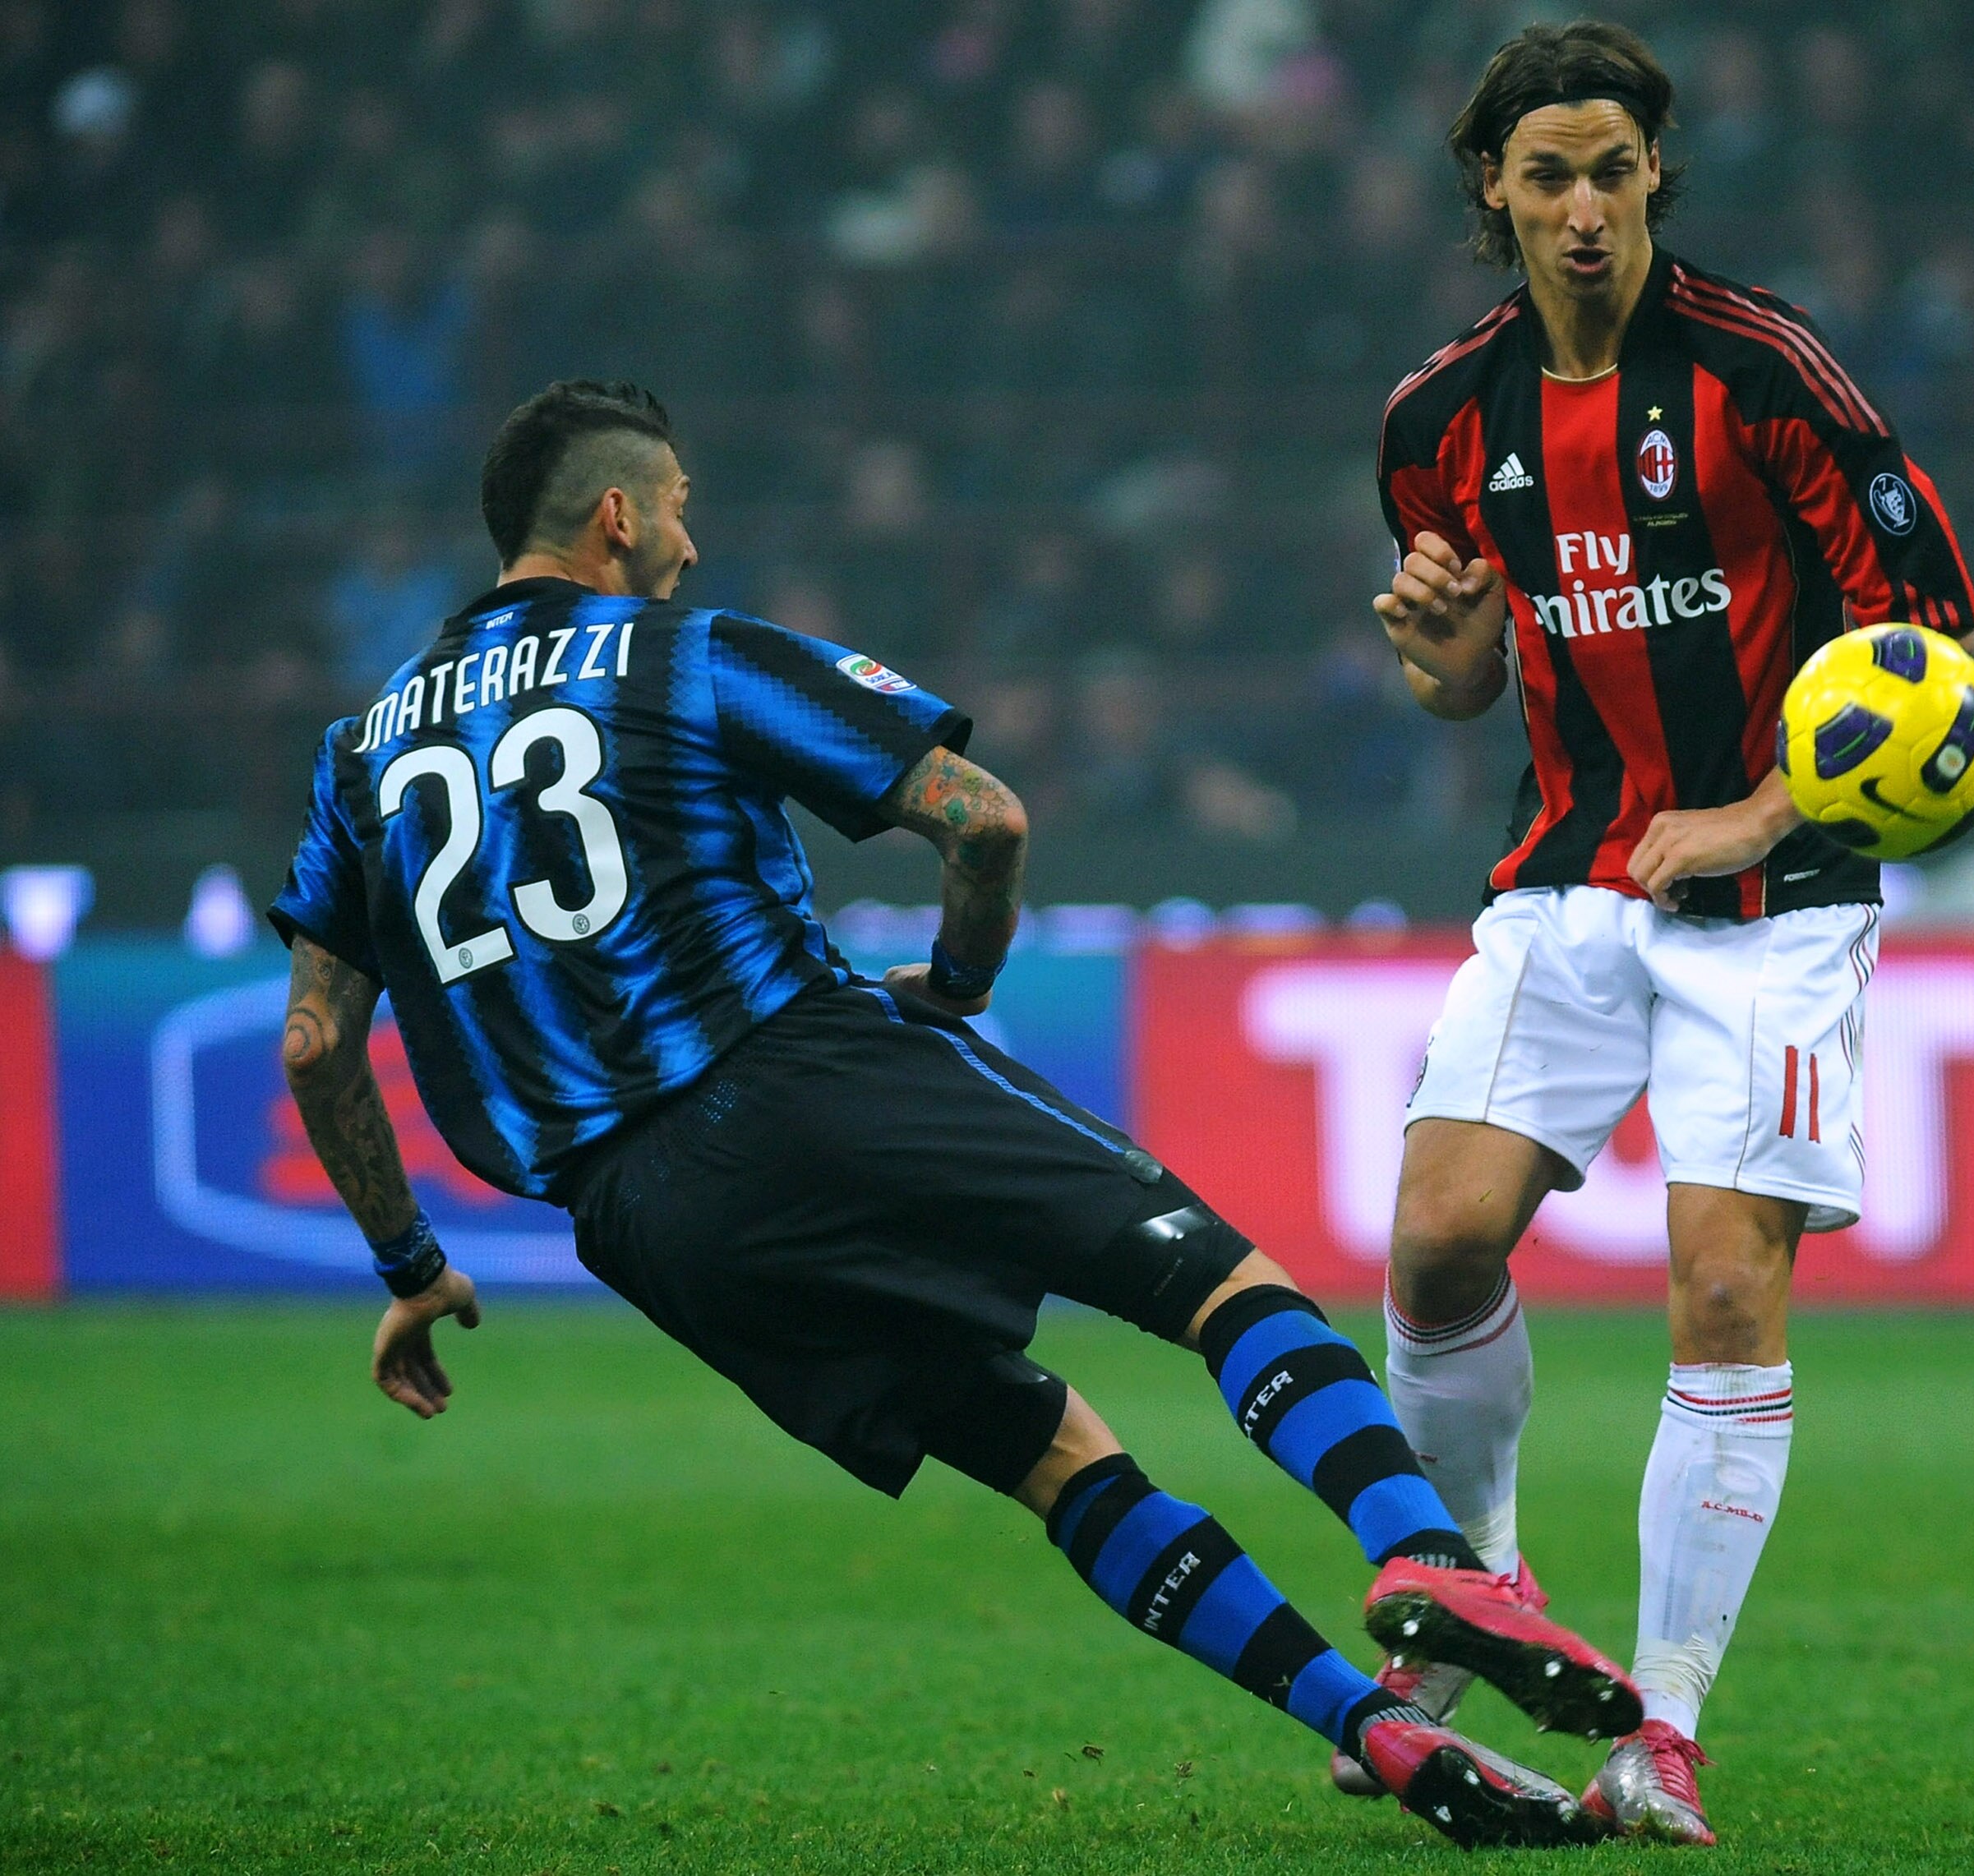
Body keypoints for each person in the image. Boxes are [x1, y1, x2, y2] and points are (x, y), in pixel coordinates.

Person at [266, 380, 1632, 1852]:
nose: (689, 543)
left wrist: (413, 1269)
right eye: (676, 509)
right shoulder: (687, 655)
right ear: (616, 515)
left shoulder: (359, 756)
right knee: (1218, 1283)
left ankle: (1385, 1737)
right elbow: (984, 816)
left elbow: (315, 1043)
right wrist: (962, 984)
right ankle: (1432, 1559)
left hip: (644, 1220)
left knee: (1054, 1459)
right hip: (803, 1073)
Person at [1359, 23, 1974, 1846]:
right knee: (1436, 1243)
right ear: (1492, 189)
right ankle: (1484, 1586)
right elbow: (1465, 680)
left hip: (1774, 903)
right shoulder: (1436, 422)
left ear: (1656, 179)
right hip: (1569, 874)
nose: (1583, 210)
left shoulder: (1762, 369)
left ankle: (1664, 1728)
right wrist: (1443, 655)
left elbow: (1930, 644)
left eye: (1613, 173)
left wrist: (1762, 810)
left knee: (1720, 1288)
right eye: (1547, 176)